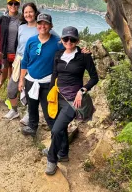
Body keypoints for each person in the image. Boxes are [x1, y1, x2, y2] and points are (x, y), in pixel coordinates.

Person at [43, 26, 98, 175]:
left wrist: (82, 90)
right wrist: (50, 95)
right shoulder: (58, 54)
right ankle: (63, 153)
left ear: (77, 41)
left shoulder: (84, 56)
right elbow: (55, 75)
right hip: (58, 95)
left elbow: (94, 78)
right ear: (61, 40)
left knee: (55, 129)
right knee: (60, 127)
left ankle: (52, 159)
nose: (69, 42)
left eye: (72, 39)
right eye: (66, 39)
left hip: (73, 101)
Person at [18, 13, 64, 136]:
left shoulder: (57, 43)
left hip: (48, 83)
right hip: (31, 80)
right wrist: (22, 80)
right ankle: (32, 127)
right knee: (32, 107)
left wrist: (83, 54)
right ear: (37, 25)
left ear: (51, 26)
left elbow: (68, 54)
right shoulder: (31, 41)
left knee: (49, 111)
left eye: (46, 23)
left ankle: (56, 135)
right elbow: (25, 62)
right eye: (40, 23)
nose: (42, 26)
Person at [3, 2, 40, 121]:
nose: (28, 14)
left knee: (30, 89)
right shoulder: (21, 27)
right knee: (11, 88)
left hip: (33, 62)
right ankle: (14, 110)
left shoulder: (40, 27)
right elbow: (18, 45)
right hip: (19, 61)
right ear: (23, 14)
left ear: (35, 12)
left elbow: (55, 39)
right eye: (26, 12)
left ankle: (30, 114)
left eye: (30, 11)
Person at [0, 0, 21, 111]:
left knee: (13, 78)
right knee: (2, 77)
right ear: (7, 5)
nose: (13, 6)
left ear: (19, 5)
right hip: (4, 54)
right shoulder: (2, 19)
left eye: (16, 3)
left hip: (17, 54)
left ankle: (10, 98)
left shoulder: (22, 19)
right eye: (11, 3)